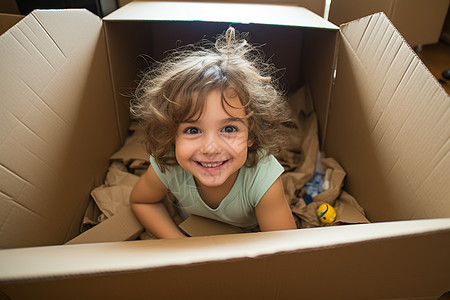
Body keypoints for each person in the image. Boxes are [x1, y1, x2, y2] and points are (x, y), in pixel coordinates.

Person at [129, 26, 296, 238]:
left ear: (251, 135)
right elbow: (142, 201)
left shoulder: (262, 177)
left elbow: (285, 249)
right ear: (172, 135)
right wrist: (179, 244)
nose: (211, 148)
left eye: (228, 129)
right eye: (192, 130)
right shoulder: (168, 164)